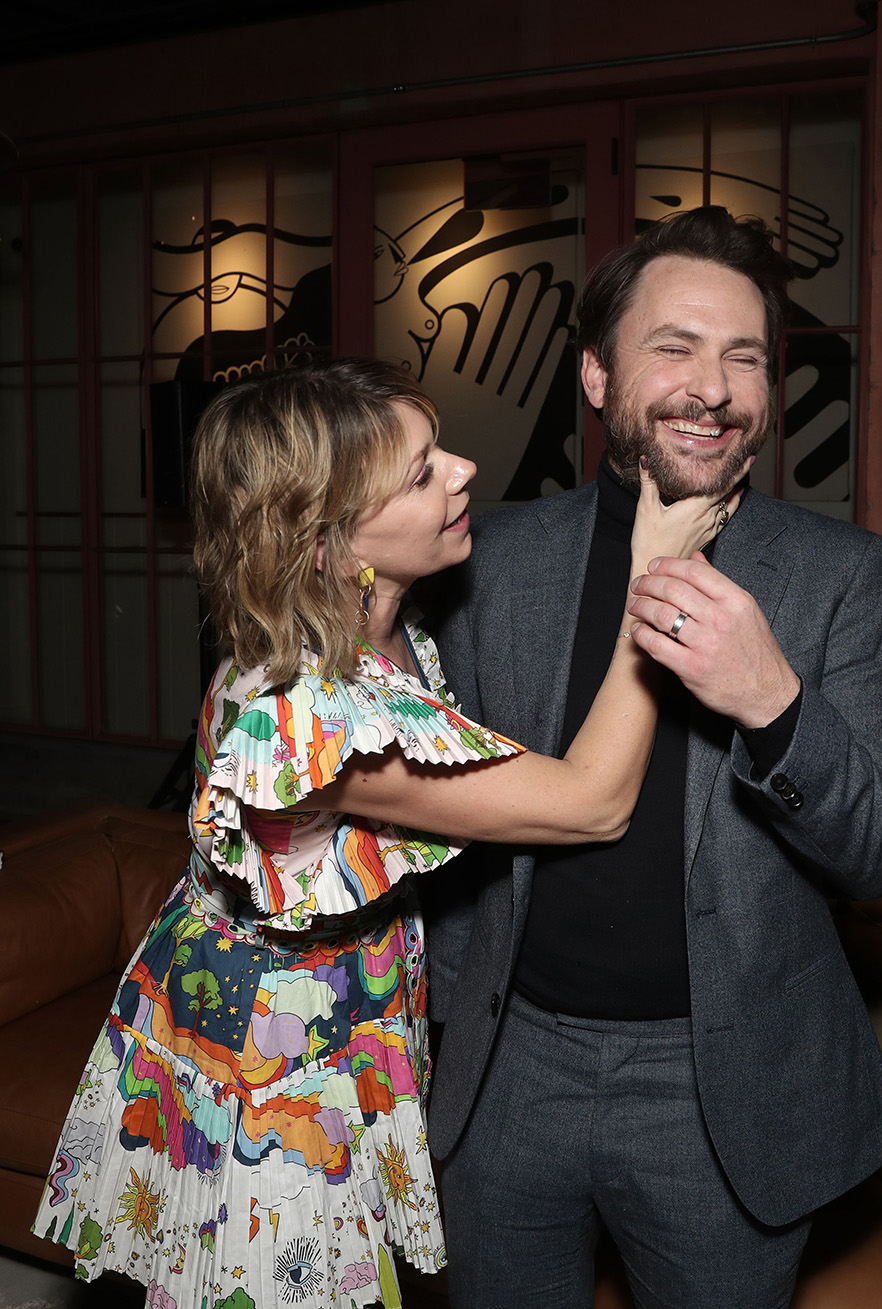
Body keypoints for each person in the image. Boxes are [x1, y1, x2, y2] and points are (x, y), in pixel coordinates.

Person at [32, 359, 743, 1309]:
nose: (460, 470)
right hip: (274, 1070)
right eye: (419, 473)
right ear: (328, 546)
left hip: (334, 1018)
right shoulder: (311, 711)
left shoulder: (376, 629)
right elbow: (592, 801)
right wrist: (657, 571)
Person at [423, 206, 882, 1309]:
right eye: (675, 348)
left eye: (743, 357)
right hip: (509, 1070)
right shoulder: (489, 560)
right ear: (597, 377)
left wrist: (776, 701)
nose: (713, 386)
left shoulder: (838, 575)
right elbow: (435, 813)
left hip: (722, 1089)